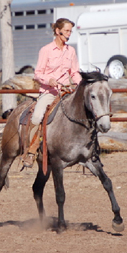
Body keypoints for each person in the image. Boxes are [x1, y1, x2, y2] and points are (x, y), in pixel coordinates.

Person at [23, 18, 82, 168]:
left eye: (70, 31)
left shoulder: (71, 51)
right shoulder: (46, 50)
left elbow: (74, 72)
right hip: (50, 92)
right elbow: (37, 74)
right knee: (36, 117)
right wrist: (48, 80)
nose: (69, 34)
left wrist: (80, 85)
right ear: (58, 31)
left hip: (67, 90)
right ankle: (31, 151)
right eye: (67, 31)